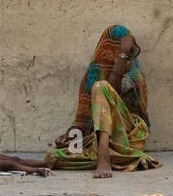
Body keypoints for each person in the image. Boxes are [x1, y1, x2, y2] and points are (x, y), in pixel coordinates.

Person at [46, 25, 160, 177]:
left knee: (101, 87)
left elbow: (113, 88)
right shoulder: (92, 75)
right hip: (98, 137)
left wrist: (122, 55)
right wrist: (72, 136)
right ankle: (115, 156)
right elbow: (82, 121)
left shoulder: (135, 75)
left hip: (128, 134)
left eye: (118, 48)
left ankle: (104, 158)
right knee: (52, 156)